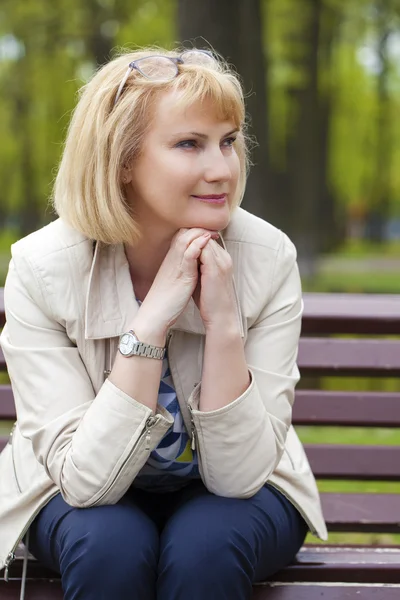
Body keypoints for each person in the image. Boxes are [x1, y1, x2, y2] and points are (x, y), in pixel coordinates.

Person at [0, 46, 327, 600]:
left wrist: (224, 323)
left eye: (227, 141)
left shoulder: (267, 257)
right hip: (76, 488)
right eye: (188, 144)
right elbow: (85, 482)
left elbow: (240, 479)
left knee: (205, 544)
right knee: (110, 543)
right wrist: (150, 323)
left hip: (239, 495)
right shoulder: (42, 268)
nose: (221, 168)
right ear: (122, 159)